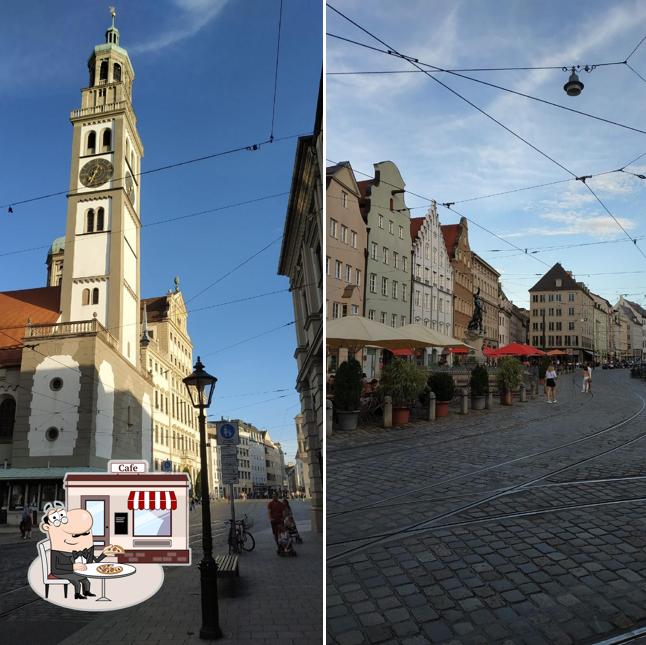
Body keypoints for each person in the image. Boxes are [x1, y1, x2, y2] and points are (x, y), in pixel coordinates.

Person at [40, 501, 122, 600]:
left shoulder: (85, 549)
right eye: (75, 535)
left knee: (86, 581)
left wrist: (104, 553)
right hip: (61, 571)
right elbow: (56, 567)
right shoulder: (58, 551)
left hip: (75, 570)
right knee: (76, 581)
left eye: (86, 533)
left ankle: (86, 592)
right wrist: (73, 566)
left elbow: (94, 561)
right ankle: (77, 594)